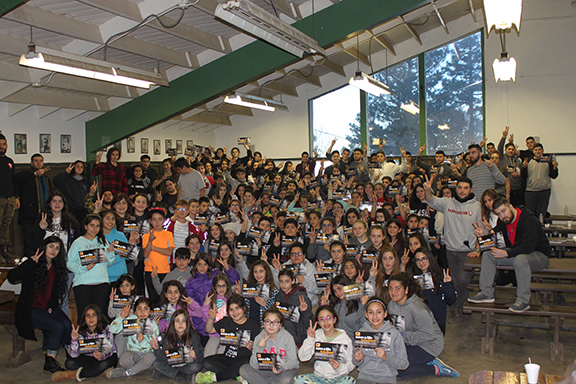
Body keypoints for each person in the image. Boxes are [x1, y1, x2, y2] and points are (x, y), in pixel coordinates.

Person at [468, 197, 552, 312]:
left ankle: (523, 301)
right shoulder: (503, 221)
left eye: (504, 211)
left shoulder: (529, 220)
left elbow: (528, 247)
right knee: (488, 254)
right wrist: (483, 237)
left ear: (511, 207)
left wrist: (506, 253)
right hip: (517, 254)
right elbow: (496, 240)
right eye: (499, 214)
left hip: (539, 255)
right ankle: (486, 293)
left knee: (520, 260)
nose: (503, 216)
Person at [7, 236, 71, 373]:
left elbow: (55, 291)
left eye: (58, 248)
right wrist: (30, 263)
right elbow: (11, 277)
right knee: (57, 326)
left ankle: (71, 355)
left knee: (67, 325)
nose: (54, 250)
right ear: (44, 247)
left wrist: (51, 305)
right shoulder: (33, 264)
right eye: (51, 246)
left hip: (48, 307)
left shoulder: (57, 267)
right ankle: (50, 361)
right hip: (31, 308)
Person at [424, 176, 481, 316]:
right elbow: (431, 200)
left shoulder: (477, 206)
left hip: (468, 253)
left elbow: (482, 231)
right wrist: (427, 189)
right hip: (450, 250)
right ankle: (459, 308)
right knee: (456, 281)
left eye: (466, 188)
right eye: (460, 187)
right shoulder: (447, 203)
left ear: (471, 190)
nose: (462, 191)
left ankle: (459, 307)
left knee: (462, 281)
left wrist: (478, 250)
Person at [387, 272, 459, 379]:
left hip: (429, 344)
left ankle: (435, 368)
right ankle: (420, 361)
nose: (393, 292)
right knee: (385, 364)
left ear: (406, 290)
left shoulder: (418, 309)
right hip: (408, 340)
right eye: (390, 288)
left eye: (398, 288)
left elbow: (428, 335)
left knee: (396, 372)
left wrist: (402, 336)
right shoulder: (391, 305)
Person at [201, 294, 261, 383]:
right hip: (228, 357)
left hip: (243, 359)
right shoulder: (226, 321)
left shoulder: (253, 326)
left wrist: (252, 348)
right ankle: (236, 375)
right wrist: (211, 318)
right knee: (206, 362)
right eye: (231, 309)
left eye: (237, 308)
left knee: (247, 362)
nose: (234, 312)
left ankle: (219, 376)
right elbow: (209, 330)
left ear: (244, 308)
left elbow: (260, 350)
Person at [67, 214, 116, 318]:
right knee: (84, 315)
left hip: (102, 282)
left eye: (97, 226)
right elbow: (69, 263)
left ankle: (100, 334)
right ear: (85, 226)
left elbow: (109, 262)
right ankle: (82, 335)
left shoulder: (103, 241)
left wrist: (111, 253)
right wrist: (83, 268)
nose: (94, 229)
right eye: (91, 225)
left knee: (100, 315)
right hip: (82, 283)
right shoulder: (77, 243)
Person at [53, 304, 118, 382]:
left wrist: (101, 356)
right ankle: (100, 372)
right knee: (69, 363)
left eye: (94, 315)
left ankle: (72, 375)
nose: (91, 318)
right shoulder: (80, 330)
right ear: (84, 318)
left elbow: (109, 349)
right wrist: (74, 340)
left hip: (106, 357)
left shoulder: (106, 328)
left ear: (99, 317)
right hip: (88, 357)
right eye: (88, 316)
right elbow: (74, 355)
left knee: (103, 364)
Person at [353, 298, 408, 384]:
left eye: (379, 312)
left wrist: (386, 357)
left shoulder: (394, 334)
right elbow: (354, 361)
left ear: (385, 314)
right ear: (366, 315)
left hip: (387, 378)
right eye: (371, 312)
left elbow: (404, 364)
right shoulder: (361, 334)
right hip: (365, 377)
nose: (375, 316)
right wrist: (358, 359)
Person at [296, 305, 355, 384]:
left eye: (329, 318)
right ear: (318, 322)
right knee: (298, 380)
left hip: (338, 378)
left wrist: (340, 367)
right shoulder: (316, 335)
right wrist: (310, 339)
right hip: (318, 378)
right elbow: (302, 357)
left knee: (350, 381)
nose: (326, 322)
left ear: (334, 320)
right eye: (322, 319)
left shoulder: (345, 339)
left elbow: (351, 363)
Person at [239, 307, 299, 384]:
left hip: (284, 371)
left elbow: (293, 362)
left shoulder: (288, 338)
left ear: (280, 325)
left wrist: (281, 367)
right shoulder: (259, 338)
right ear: (263, 324)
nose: (271, 325)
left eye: (275, 322)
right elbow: (254, 365)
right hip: (265, 371)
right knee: (244, 369)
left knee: (287, 379)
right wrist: (259, 347)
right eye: (268, 322)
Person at [108, 297, 159, 378]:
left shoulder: (153, 325)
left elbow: (152, 347)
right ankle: (139, 368)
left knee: (151, 357)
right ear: (135, 311)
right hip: (132, 353)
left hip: (146, 354)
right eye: (139, 309)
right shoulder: (130, 320)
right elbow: (112, 330)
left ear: (150, 312)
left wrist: (142, 341)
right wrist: (121, 317)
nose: (142, 312)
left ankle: (128, 373)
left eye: (146, 309)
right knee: (124, 359)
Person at [412, 248, 456, 334]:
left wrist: (447, 284)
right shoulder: (413, 278)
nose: (421, 263)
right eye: (418, 260)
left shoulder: (440, 275)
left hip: (437, 321)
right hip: (419, 321)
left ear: (430, 258)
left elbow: (451, 300)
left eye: (424, 259)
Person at [152, 309, 203, 382]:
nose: (180, 324)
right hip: (172, 364)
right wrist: (157, 349)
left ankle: (167, 373)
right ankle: (180, 376)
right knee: (156, 363)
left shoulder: (192, 336)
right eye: (177, 321)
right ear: (173, 323)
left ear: (187, 323)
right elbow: (163, 358)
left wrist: (195, 356)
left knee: (197, 366)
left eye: (183, 321)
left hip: (186, 365)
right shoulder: (168, 338)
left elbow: (200, 359)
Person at [17, 153, 52, 256]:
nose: (38, 163)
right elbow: (17, 178)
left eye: (40, 161)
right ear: (31, 163)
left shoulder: (46, 178)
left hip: (43, 215)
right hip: (29, 215)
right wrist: (34, 174)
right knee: (28, 242)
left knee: (42, 241)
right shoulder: (27, 175)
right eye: (36, 161)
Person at [143, 207, 175, 304]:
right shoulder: (146, 236)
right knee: (152, 298)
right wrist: (150, 242)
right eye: (154, 219)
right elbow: (145, 254)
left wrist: (153, 248)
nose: (157, 222)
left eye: (160, 219)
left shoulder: (168, 234)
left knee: (164, 297)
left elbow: (169, 252)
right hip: (150, 270)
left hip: (164, 270)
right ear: (150, 221)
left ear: (164, 220)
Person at [522, 143, 559, 221]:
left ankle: (541, 230)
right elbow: (523, 176)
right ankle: (531, 231)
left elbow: (553, 176)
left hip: (544, 191)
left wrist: (555, 167)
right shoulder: (528, 161)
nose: (538, 151)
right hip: (530, 191)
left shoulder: (548, 161)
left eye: (539, 149)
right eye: (536, 150)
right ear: (533, 151)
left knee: (541, 213)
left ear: (542, 151)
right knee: (529, 214)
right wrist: (524, 168)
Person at [0, 133, 19, 263]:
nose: (2, 147)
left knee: (5, 226)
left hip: (10, 198)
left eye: (3, 144)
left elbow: (14, 181)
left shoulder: (9, 161)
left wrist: (16, 197)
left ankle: (4, 250)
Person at [53, 160, 90, 224]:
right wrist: (65, 173)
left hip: (82, 211)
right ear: (73, 168)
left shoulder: (84, 182)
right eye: (77, 166)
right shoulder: (67, 179)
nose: (79, 168)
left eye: (81, 167)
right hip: (71, 210)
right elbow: (55, 181)